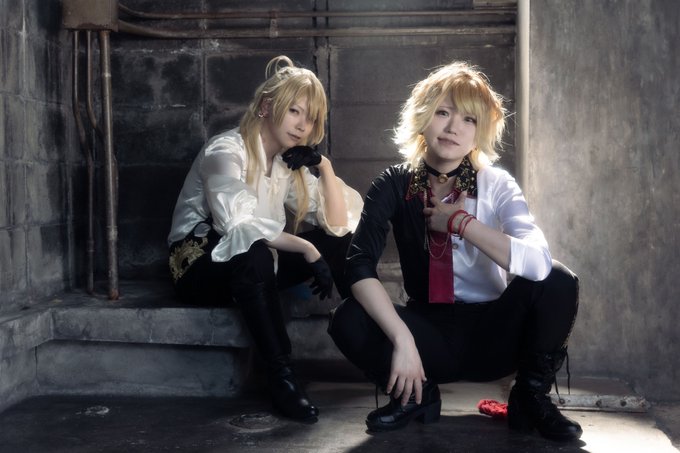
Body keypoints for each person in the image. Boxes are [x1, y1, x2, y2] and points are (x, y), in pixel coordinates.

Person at [328, 61, 582, 441]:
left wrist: (461, 223)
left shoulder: (495, 183)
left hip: (494, 333)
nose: (453, 128)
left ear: (480, 132)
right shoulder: (395, 183)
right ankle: (417, 394)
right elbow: (358, 265)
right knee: (347, 317)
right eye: (443, 113)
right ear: (423, 117)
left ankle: (529, 398)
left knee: (558, 280)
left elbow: (538, 264)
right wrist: (403, 339)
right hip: (427, 334)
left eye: (469, 119)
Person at [167, 55, 362, 423]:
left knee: (340, 239)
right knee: (254, 252)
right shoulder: (226, 150)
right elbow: (238, 222)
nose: (302, 125)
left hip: (254, 267)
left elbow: (338, 223)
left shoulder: (286, 164)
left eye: (311, 118)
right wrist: (306, 248)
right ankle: (281, 375)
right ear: (266, 107)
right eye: (294, 111)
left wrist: (324, 166)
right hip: (198, 268)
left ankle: (369, 337)